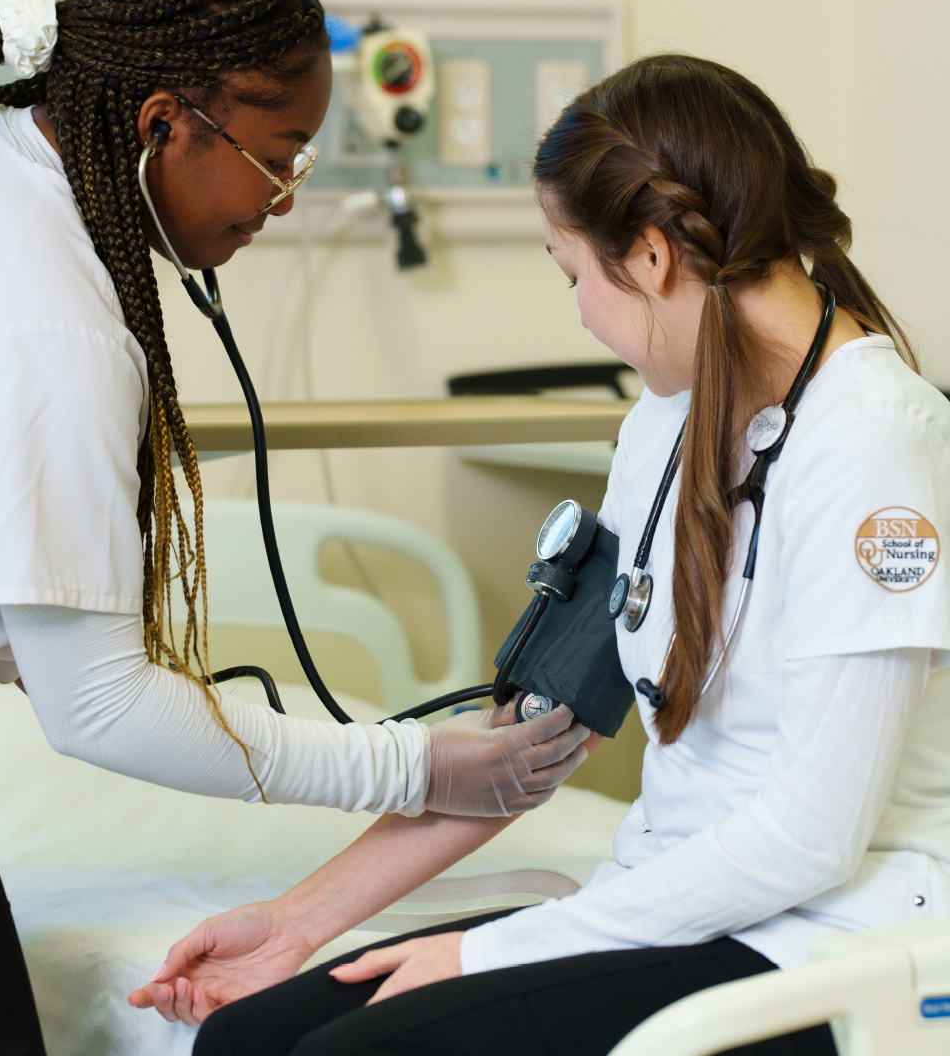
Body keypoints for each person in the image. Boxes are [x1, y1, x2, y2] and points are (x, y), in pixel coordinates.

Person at [133, 54, 950, 1056]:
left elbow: (810, 840)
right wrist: (297, 923)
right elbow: (540, 735)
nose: (578, 312)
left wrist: (489, 956)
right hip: (678, 908)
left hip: (831, 947)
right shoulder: (670, 415)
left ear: (650, 259)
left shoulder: (877, 440)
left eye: (573, 274)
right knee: (251, 1041)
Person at [0, 0, 591, 1052]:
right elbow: (99, 712)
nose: (286, 195)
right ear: (163, 121)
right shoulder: (46, 324)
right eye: (278, 151)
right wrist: (417, 763)